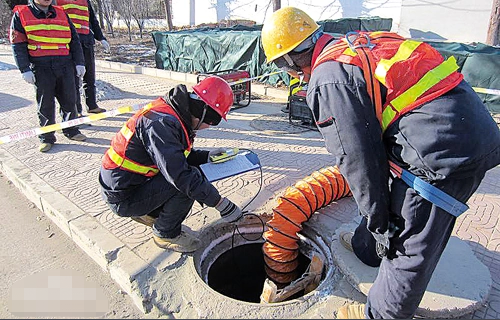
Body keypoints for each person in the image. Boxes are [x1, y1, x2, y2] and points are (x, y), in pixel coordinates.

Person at [261, 7, 500, 319]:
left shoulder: (327, 77)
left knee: (406, 247)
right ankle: (366, 247)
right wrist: (373, 222)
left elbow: (359, 160)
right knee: (381, 206)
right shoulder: (357, 44)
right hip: (465, 131)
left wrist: (380, 224)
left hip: (441, 156)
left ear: (289, 59)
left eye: (283, 65)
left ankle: (378, 314)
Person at [99, 76, 243, 253]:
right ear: (204, 112)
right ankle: (165, 233)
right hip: (123, 196)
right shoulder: (162, 124)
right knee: (190, 181)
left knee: (191, 177)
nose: (210, 126)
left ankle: (153, 214)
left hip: (130, 183)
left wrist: (207, 156)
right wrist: (221, 204)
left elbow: (174, 157)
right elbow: (180, 175)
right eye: (213, 121)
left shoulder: (173, 112)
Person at [10, 0, 87, 152]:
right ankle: (47, 137)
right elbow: (17, 44)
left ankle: (71, 130)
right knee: (45, 104)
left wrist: (79, 62)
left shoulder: (61, 12)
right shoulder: (21, 14)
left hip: (65, 64)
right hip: (41, 66)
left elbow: (74, 40)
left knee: (69, 100)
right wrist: (24, 69)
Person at [55, 0, 109, 116]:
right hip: (70, 43)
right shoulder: (58, 1)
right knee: (73, 80)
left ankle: (92, 105)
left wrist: (101, 37)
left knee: (89, 77)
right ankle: (76, 110)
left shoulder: (85, 1)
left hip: (86, 41)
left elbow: (92, 20)